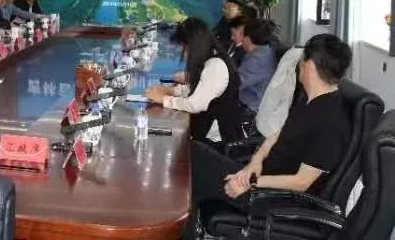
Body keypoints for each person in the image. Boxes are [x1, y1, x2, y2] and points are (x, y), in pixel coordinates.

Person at [190, 34, 352, 219]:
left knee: (192, 160)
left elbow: (302, 182)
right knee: (193, 152)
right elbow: (278, 135)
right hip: (261, 177)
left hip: (274, 197)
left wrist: (250, 182)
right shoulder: (310, 100)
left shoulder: (330, 120)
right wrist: (255, 162)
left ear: (309, 65)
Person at [144, 17, 243, 143]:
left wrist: (164, 99)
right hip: (205, 133)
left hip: (216, 142)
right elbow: (200, 88)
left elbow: (195, 104)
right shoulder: (212, 59)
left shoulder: (216, 65)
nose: (184, 54)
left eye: (184, 48)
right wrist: (172, 91)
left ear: (193, 46)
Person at [237, 18, 277, 113]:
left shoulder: (257, 59)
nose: (241, 39)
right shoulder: (265, 51)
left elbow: (236, 83)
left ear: (248, 38)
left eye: (242, 35)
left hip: (251, 108)